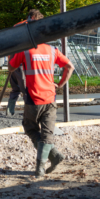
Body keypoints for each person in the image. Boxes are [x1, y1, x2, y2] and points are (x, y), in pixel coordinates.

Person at [8, 43, 74, 176]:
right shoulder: (52, 50)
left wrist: (12, 52)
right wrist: (60, 84)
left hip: (33, 99)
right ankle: (45, 165)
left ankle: (47, 161)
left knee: (30, 128)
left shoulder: (24, 50)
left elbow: (10, 67)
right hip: (50, 98)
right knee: (47, 135)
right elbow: (70, 67)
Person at [6, 9, 44, 116]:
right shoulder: (27, 26)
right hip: (21, 61)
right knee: (26, 88)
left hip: (12, 61)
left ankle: (10, 110)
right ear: (33, 17)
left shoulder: (17, 25)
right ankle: (29, 111)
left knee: (15, 88)